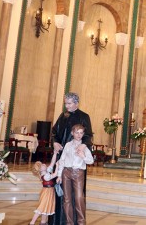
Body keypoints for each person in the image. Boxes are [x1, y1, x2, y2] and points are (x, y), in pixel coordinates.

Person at [50, 92, 93, 225]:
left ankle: (78, 222)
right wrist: (55, 142)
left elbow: (89, 135)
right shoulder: (63, 116)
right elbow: (54, 132)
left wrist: (83, 146)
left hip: (78, 162)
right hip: (63, 158)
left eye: (69, 103)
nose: (66, 106)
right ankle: (61, 221)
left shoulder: (84, 116)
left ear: (76, 103)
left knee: (77, 196)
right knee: (63, 194)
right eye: (65, 103)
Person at [57, 124, 94, 225]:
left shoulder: (84, 147)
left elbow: (90, 161)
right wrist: (59, 175)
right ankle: (69, 222)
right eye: (77, 132)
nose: (79, 135)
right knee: (67, 199)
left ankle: (81, 222)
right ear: (72, 133)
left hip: (78, 173)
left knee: (79, 198)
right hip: (66, 173)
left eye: (81, 133)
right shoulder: (68, 145)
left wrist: (83, 156)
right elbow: (62, 160)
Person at [30, 151, 59, 225]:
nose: (43, 164)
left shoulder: (46, 171)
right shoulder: (45, 176)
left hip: (49, 191)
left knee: (46, 207)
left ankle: (43, 222)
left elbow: (52, 163)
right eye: (41, 165)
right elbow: (55, 174)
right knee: (42, 206)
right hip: (47, 192)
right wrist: (58, 166)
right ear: (40, 170)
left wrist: (55, 154)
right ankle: (32, 222)